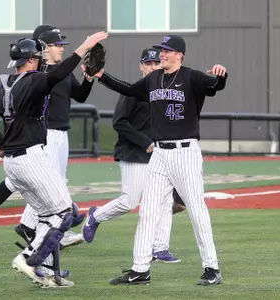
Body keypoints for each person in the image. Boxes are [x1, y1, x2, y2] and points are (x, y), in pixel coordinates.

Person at [0, 31, 108, 288]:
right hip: (31, 156)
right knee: (65, 212)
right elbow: (57, 74)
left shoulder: (3, 85)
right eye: (38, 56)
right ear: (33, 59)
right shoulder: (34, 80)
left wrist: (0, 139)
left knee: (47, 214)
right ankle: (28, 257)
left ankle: (44, 272)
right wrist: (86, 45)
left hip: (12, 161)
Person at [93, 35, 227, 285]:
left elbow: (216, 86)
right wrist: (102, 76)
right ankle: (140, 269)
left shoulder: (191, 76)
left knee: (196, 209)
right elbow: (129, 89)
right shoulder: (153, 79)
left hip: (185, 152)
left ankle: (212, 268)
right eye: (161, 50)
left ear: (180, 55)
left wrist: (221, 75)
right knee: (148, 211)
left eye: (167, 51)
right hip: (159, 155)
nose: (162, 54)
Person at [82, 48, 186, 264]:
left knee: (165, 201)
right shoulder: (132, 91)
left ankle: (159, 249)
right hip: (133, 152)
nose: (153, 66)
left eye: (156, 63)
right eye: (148, 63)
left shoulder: (164, 92)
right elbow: (119, 122)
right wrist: (145, 141)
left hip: (160, 155)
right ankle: (95, 216)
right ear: (141, 66)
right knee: (129, 202)